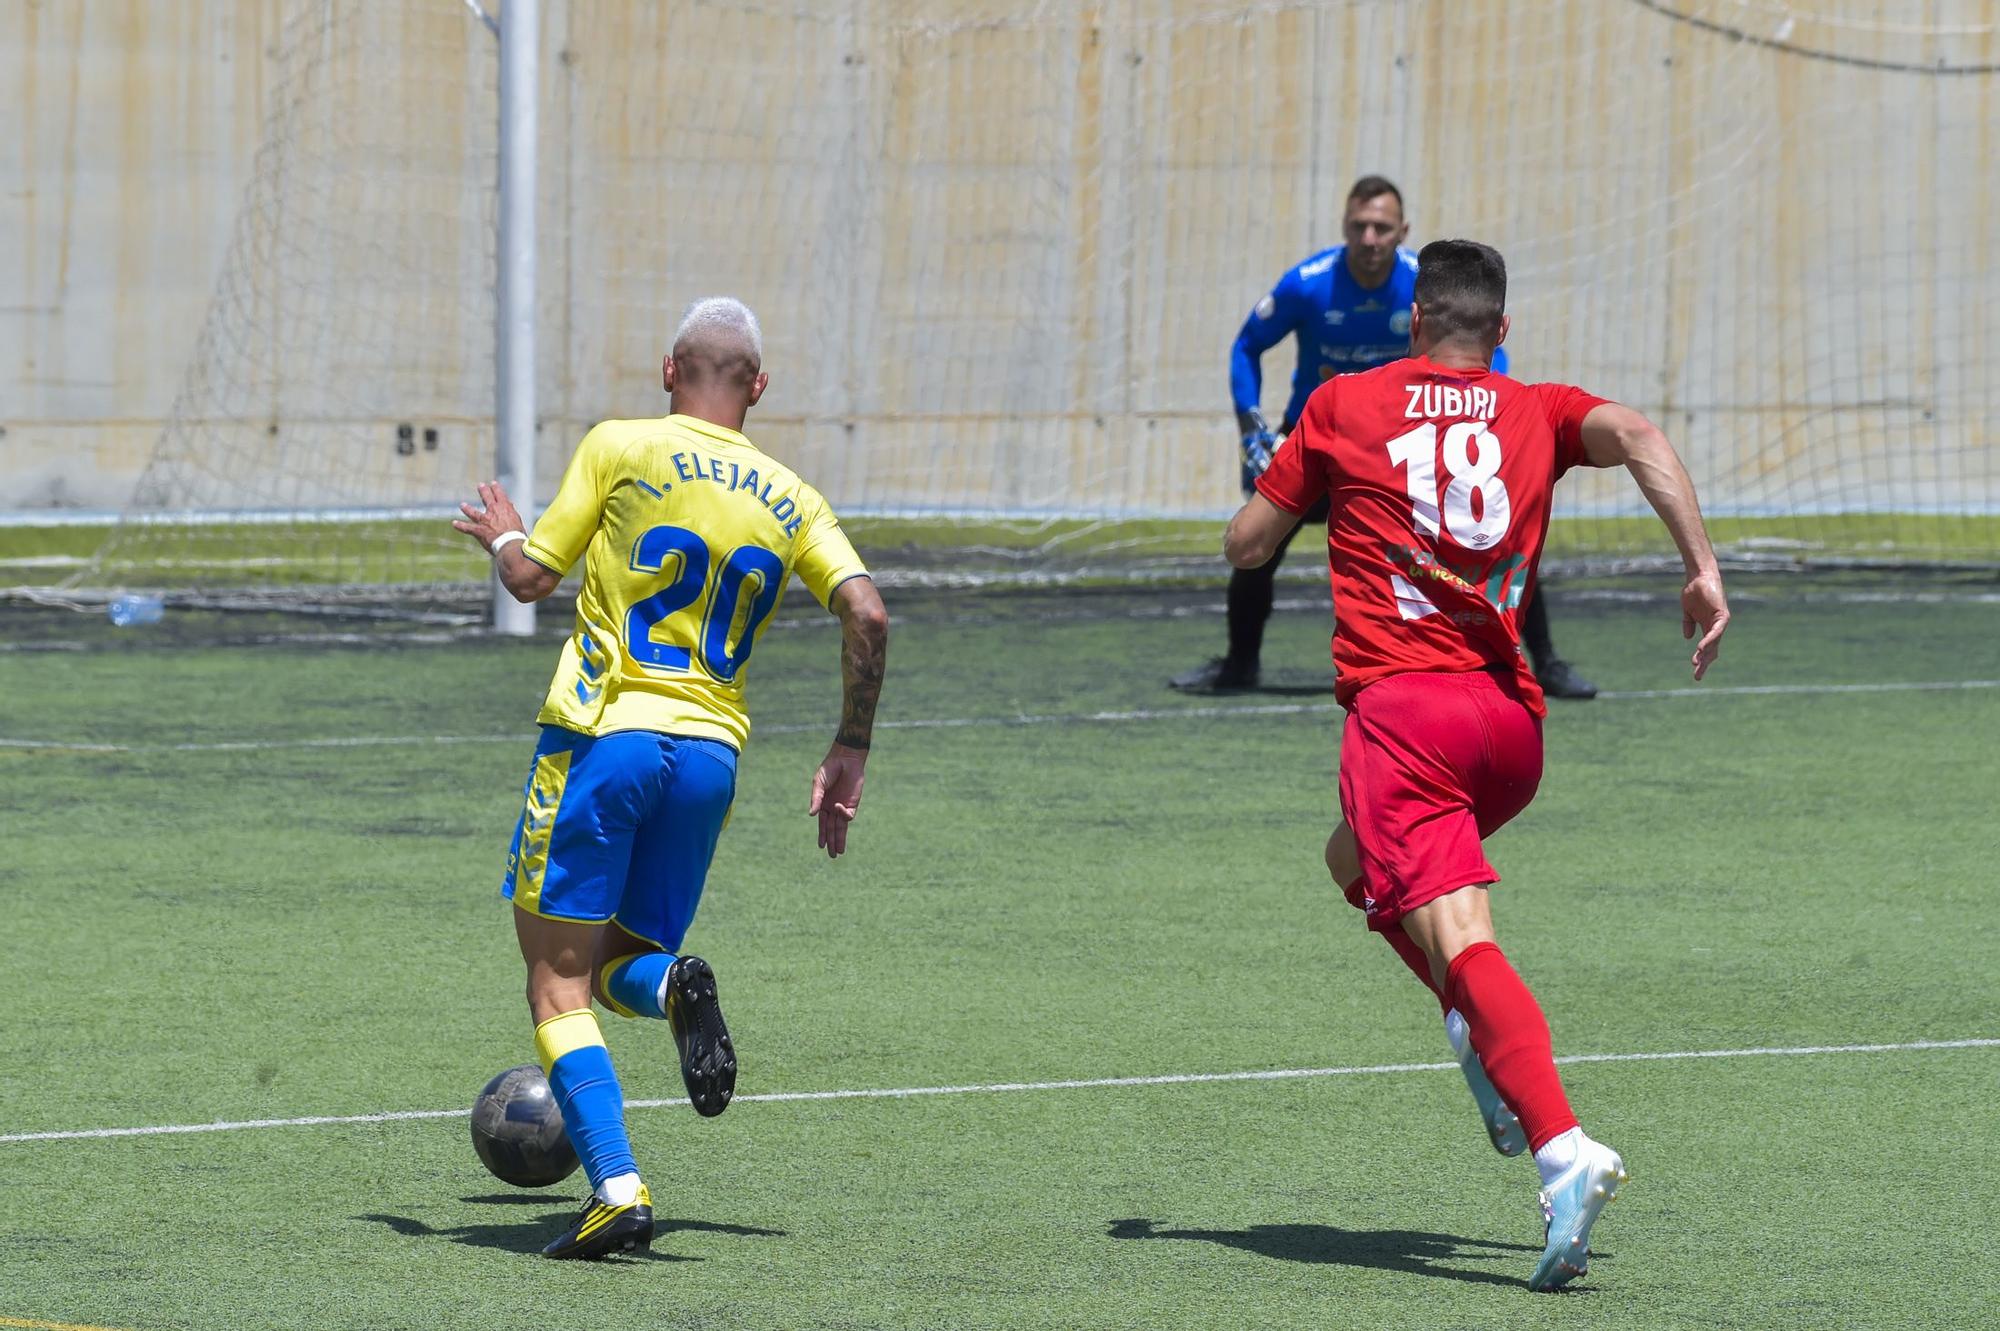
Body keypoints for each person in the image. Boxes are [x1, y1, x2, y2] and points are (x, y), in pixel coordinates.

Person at [1223, 240, 1728, 1292]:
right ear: (1498, 333)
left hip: (1404, 718)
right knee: (1347, 859)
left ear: (1413, 321)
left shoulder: (1342, 404)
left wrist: (1288, 474)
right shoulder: (1533, 406)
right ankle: (1476, 1038)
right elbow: (1635, 431)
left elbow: (1245, 546)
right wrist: (1700, 565)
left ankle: (1560, 1146)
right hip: (1508, 729)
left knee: (1460, 936)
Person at [451, 297, 889, 1260]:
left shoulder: (622, 446)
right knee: (617, 969)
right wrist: (849, 742)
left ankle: (616, 1189)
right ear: (758, 388)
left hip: (605, 738)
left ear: (668, 369)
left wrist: (500, 533)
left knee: (556, 985)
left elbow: (531, 580)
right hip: (709, 760)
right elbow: (867, 613)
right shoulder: (793, 495)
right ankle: (678, 984)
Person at [1174, 175, 1597, 699]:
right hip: (1322, 435)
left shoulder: (1425, 283)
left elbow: (1490, 353)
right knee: (1261, 543)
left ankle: (1544, 662)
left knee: (1488, 537)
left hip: (1410, 440)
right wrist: (1250, 425)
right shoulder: (1307, 283)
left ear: (1403, 232)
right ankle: (1240, 664)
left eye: (1381, 227)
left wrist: (1484, 413)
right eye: (1360, 226)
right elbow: (1246, 346)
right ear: (1345, 227)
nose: (1370, 237)